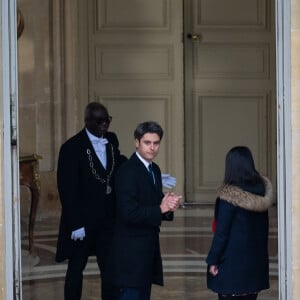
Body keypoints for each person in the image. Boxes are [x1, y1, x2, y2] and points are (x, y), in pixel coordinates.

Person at [55, 102, 122, 300]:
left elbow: (119, 166)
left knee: (110, 270)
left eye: (107, 120)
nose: (105, 125)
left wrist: (147, 172)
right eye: (100, 121)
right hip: (82, 223)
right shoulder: (71, 147)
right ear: (87, 121)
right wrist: (76, 224)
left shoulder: (111, 140)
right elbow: (67, 190)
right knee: (76, 269)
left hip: (107, 221)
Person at [108, 121, 182, 300]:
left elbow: (154, 202)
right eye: (147, 143)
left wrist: (168, 205)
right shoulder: (127, 172)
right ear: (136, 142)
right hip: (130, 252)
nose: (152, 148)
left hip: (147, 249)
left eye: (156, 143)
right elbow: (127, 212)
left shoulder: (154, 169)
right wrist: (160, 208)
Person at [206, 146, 273, 300]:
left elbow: (221, 234)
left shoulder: (228, 198)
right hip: (255, 264)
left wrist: (213, 260)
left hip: (232, 266)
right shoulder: (261, 192)